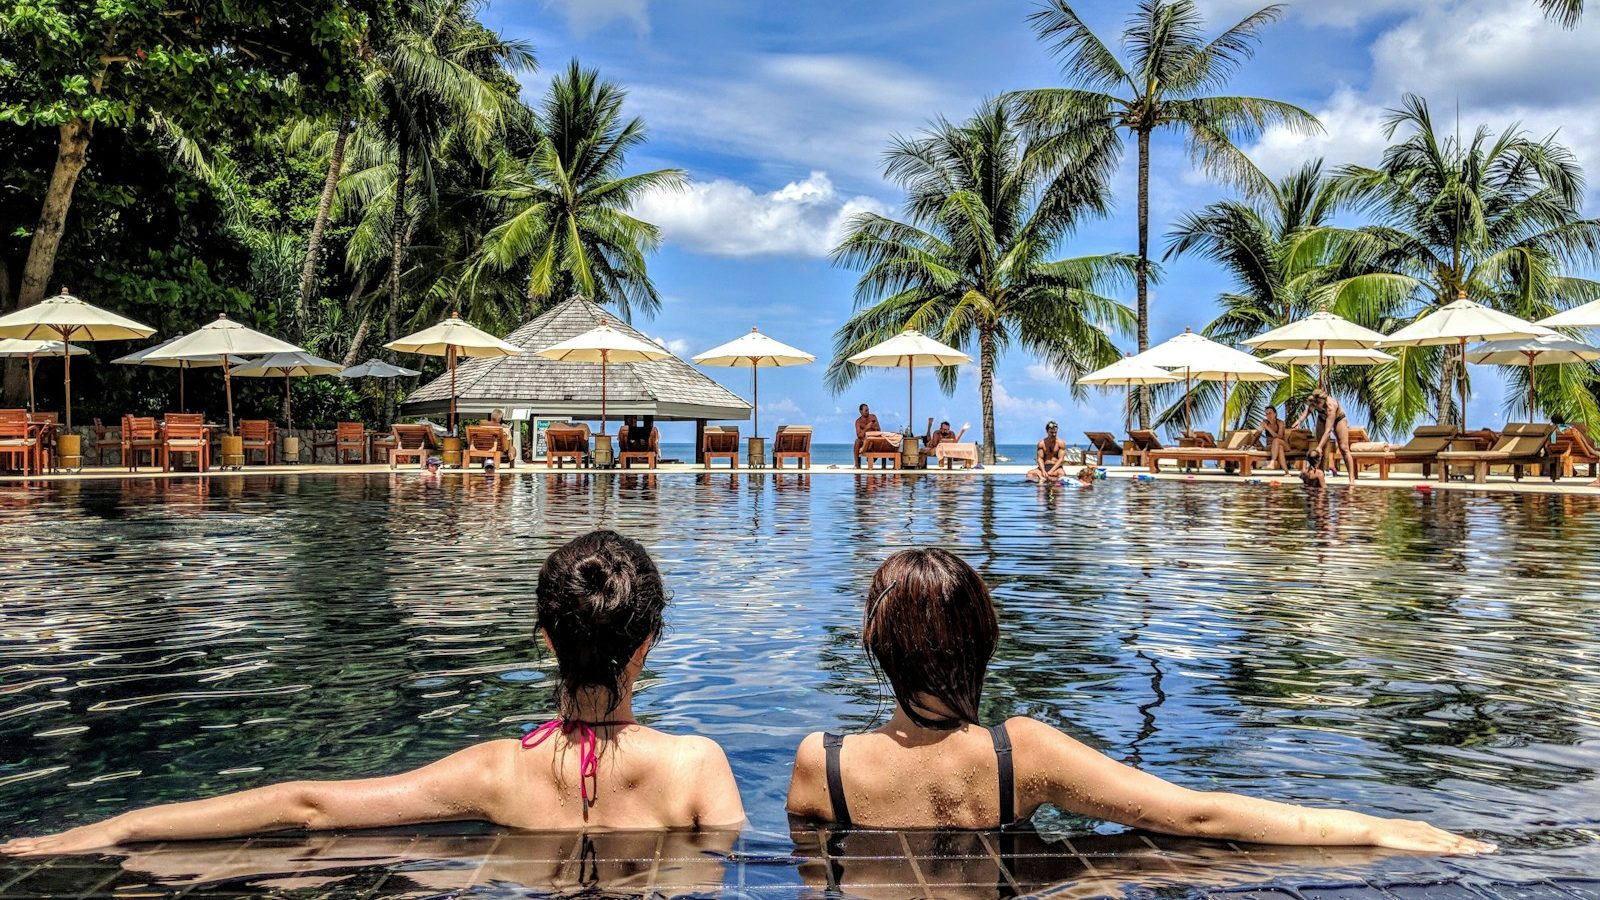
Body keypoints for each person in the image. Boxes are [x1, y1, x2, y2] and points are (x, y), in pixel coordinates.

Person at [2, 531, 745, 857]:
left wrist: (125, 826)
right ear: (649, 642)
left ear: (546, 640)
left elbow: (307, 803)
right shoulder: (695, 767)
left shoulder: (495, 772)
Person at [786, 548, 1492, 855]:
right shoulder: (1016, 753)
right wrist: (1370, 828)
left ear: (877, 646)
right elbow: (1194, 813)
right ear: (983, 639)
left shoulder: (822, 763)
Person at [1296, 390, 1355, 486]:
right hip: (1322, 418)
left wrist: (1319, 446)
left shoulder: (1331, 406)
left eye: (1319, 403)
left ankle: (1351, 479)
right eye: (1316, 403)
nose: (1318, 405)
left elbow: (1328, 430)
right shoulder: (1313, 401)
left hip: (1338, 419)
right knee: (1321, 450)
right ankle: (1320, 476)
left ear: (1325, 400)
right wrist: (1300, 420)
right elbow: (1309, 410)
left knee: (1344, 448)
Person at [1261, 405, 1288, 472]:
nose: (1268, 415)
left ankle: (1272, 462)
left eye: (1270, 413)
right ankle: (1286, 471)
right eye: (1266, 414)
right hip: (1272, 446)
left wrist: (1267, 428)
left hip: (1285, 445)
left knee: (1276, 441)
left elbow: (1280, 437)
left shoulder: (1280, 423)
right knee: (1280, 448)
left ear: (1275, 414)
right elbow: (1257, 434)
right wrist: (1251, 444)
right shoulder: (1265, 423)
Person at [853, 404, 881, 468]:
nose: (867, 412)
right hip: (863, 441)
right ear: (861, 411)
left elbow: (879, 430)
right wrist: (866, 428)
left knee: (874, 442)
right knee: (857, 441)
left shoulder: (873, 417)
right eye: (866, 410)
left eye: (868, 410)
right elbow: (859, 435)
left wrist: (874, 428)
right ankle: (857, 464)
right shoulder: (858, 422)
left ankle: (871, 459)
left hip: (873, 440)